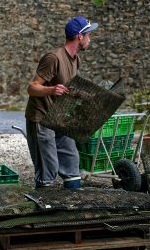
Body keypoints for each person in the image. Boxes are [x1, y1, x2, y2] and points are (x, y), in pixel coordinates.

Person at [25, 16, 98, 189]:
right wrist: (50, 90)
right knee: (48, 169)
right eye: (88, 34)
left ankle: (71, 205)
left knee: (72, 164)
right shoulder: (53, 58)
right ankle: (45, 210)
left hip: (59, 116)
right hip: (41, 119)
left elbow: (68, 88)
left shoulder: (75, 59)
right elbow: (32, 87)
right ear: (80, 36)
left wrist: (88, 97)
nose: (90, 39)